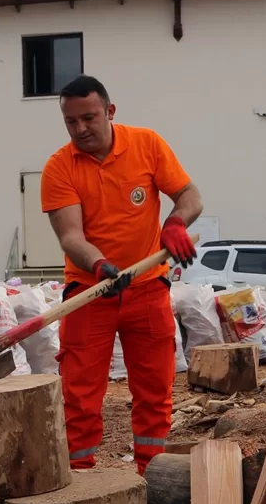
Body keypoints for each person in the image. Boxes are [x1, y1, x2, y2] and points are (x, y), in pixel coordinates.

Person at [40, 75, 203, 475]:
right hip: (89, 292)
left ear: (110, 112)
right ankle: (80, 477)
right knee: (79, 393)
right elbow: (71, 235)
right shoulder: (59, 168)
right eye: (71, 122)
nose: (81, 129)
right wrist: (99, 265)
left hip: (147, 289)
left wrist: (175, 223)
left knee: (154, 390)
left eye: (89, 118)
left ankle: (154, 473)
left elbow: (189, 196)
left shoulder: (146, 145)